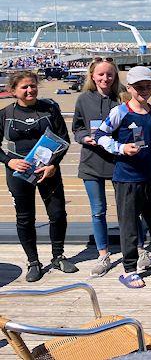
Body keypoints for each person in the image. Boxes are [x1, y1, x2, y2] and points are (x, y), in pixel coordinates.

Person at [97, 66, 151, 288]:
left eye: (148, 86)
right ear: (129, 88)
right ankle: (129, 269)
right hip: (127, 178)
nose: (144, 90)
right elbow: (100, 135)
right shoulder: (119, 112)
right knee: (129, 225)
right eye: (139, 87)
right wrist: (121, 148)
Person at [74, 57, 151, 278]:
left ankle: (139, 249)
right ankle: (103, 254)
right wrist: (84, 138)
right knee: (98, 210)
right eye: (101, 74)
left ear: (116, 77)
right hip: (91, 161)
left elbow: (136, 126)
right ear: (92, 76)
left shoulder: (123, 99)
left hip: (120, 162)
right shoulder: (83, 99)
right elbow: (77, 127)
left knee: (130, 211)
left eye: (110, 74)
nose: (105, 78)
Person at [0, 71, 76, 282]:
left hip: (48, 170)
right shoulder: (5, 114)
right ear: (13, 91)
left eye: (33, 86)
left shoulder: (50, 109)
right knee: (25, 218)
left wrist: (53, 165)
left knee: (58, 213)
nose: (30, 90)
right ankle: (33, 261)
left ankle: (58, 256)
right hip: (19, 171)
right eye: (24, 87)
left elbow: (64, 140)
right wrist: (9, 161)